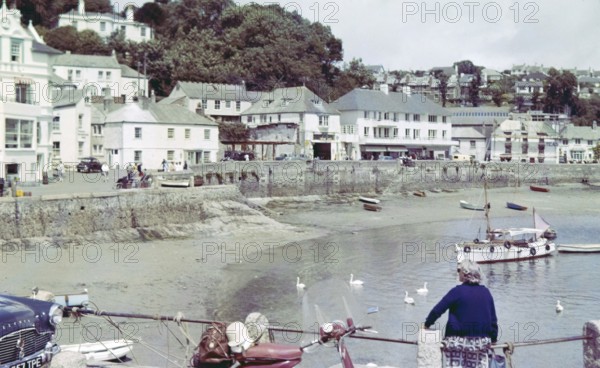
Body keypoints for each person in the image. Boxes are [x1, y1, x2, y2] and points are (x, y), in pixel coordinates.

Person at [423, 260, 498, 367]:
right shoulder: (486, 292)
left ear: (465, 274)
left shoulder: (457, 291)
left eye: (459, 270)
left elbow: (438, 310)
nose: (458, 273)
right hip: (480, 342)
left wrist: (426, 324)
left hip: (457, 341)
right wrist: (494, 338)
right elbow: (493, 320)